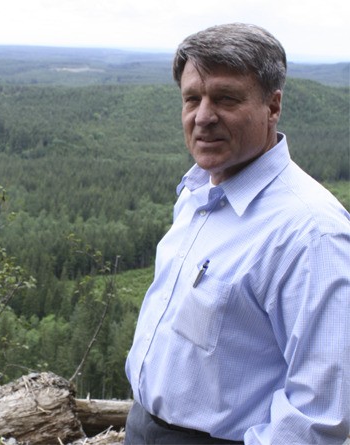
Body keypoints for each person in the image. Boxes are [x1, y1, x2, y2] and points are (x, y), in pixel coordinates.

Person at [124, 23, 350, 444]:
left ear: (273, 105)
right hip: (142, 427)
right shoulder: (197, 193)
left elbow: (319, 417)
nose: (203, 117)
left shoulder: (310, 234)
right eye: (192, 99)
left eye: (226, 99)